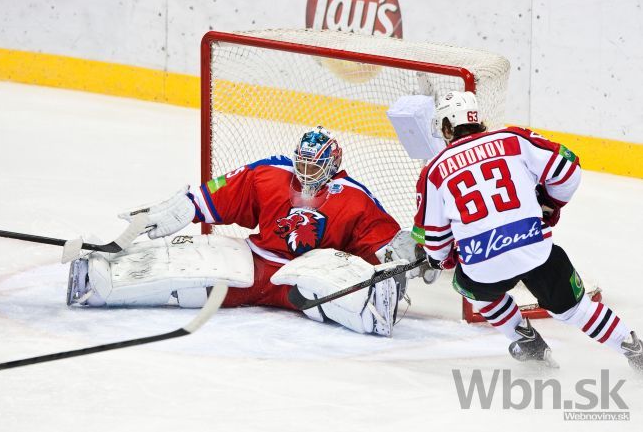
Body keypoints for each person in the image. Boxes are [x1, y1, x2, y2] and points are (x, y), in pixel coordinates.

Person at [67, 126, 418, 337]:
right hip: (256, 262)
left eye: (317, 165)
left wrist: (403, 256)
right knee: (192, 271)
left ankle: (374, 311)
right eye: (304, 163)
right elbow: (218, 196)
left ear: (333, 165)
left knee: (330, 287)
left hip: (305, 271)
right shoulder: (269, 173)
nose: (307, 172)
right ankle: (98, 280)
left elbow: (380, 238)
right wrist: (183, 207)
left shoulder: (354, 196)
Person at [410, 91, 642, 370]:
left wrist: (444, 258)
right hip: (535, 250)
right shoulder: (513, 139)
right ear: (477, 119)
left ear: (447, 127)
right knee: (576, 310)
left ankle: (527, 342)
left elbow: (435, 242)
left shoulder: (434, 171)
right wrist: (549, 202)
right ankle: (634, 350)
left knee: (467, 284)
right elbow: (569, 169)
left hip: (484, 267)